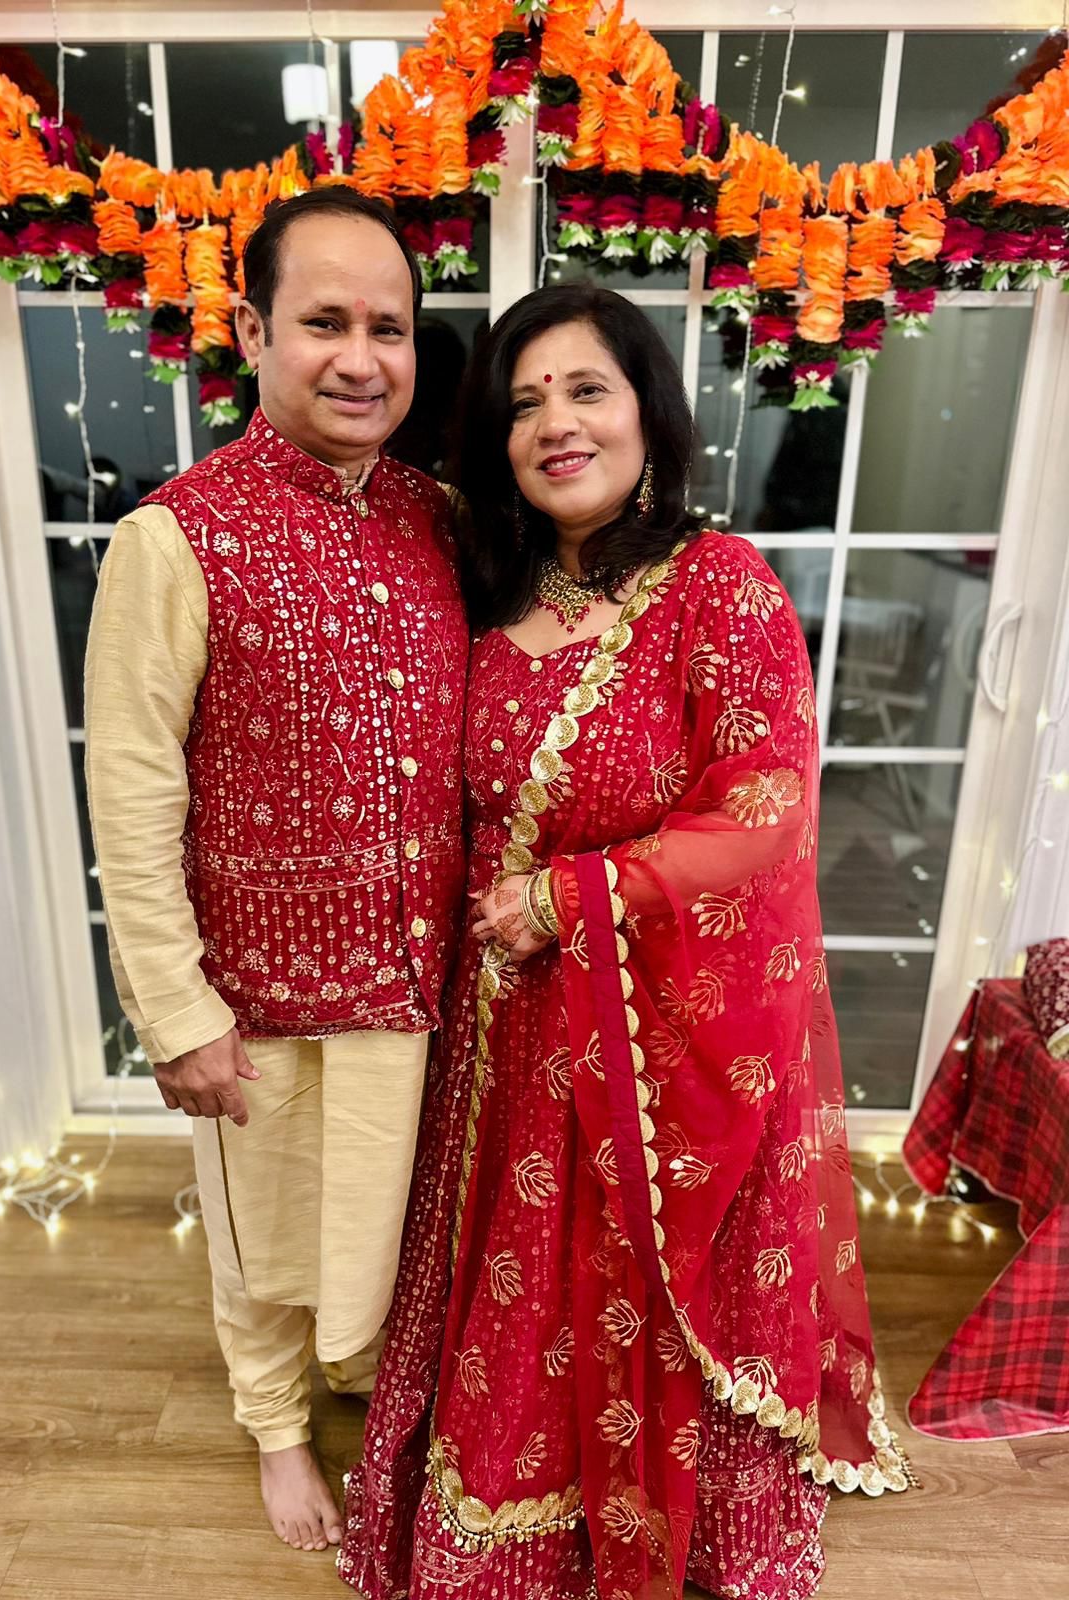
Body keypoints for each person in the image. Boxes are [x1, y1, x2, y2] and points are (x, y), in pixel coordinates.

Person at [339, 284, 910, 1600]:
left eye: (585, 390)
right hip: (496, 1040)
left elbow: (763, 810)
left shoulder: (718, 588)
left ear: (648, 411)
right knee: (518, 1297)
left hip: (652, 1032)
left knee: (626, 1291)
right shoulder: (492, 590)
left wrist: (570, 899)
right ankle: (512, 1537)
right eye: (524, 404)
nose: (555, 424)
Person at [84, 188, 468, 1555]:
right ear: (251, 331)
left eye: (389, 328)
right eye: (325, 323)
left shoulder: (440, 518)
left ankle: (373, 1379)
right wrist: (175, 1011)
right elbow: (133, 787)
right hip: (266, 994)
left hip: (427, 979)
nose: (362, 359)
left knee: (394, 1225)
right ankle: (276, 1428)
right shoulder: (175, 536)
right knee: (266, 1239)